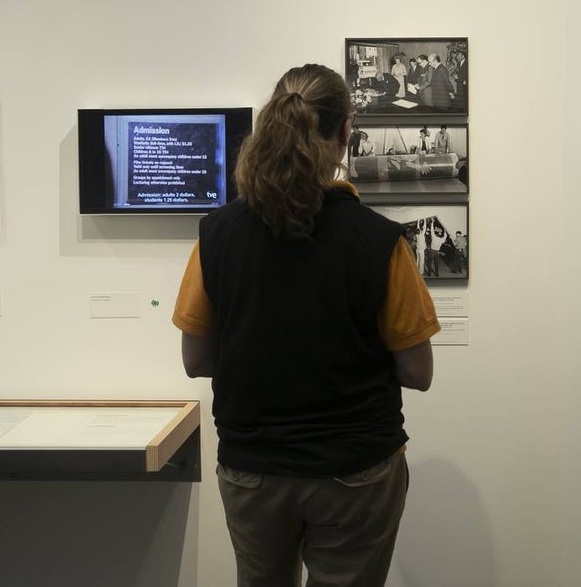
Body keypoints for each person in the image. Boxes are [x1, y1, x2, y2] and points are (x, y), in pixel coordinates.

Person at [172, 64, 438, 587]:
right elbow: (418, 372)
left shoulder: (217, 234)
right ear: (346, 131)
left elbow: (195, 360)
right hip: (356, 470)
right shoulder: (379, 240)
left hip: (253, 469)